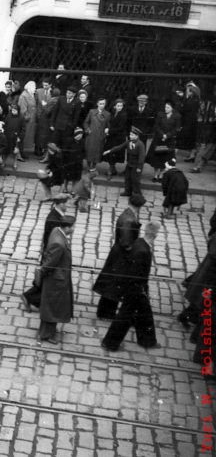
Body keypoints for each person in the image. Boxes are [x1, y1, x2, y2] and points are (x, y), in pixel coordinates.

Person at [101, 222, 161, 351]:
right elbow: (136, 274)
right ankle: (110, 343)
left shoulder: (139, 242)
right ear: (155, 234)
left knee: (145, 314)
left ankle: (147, 341)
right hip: (135, 290)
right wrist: (141, 290)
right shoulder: (143, 251)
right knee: (125, 317)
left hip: (136, 288)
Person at [20, 193, 70, 312]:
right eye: (66, 203)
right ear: (61, 204)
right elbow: (52, 239)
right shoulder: (54, 219)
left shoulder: (57, 215)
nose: (67, 205)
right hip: (51, 252)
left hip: (51, 251)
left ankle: (31, 298)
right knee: (47, 279)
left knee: (46, 279)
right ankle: (29, 297)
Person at [36, 216, 75, 344]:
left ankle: (46, 331)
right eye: (73, 226)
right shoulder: (59, 243)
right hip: (57, 280)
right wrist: (41, 272)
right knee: (53, 308)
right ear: (67, 228)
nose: (74, 229)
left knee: (52, 307)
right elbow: (50, 263)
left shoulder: (56, 231)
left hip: (56, 278)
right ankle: (46, 334)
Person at [103, 126, 145, 197]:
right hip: (129, 164)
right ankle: (127, 191)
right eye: (130, 135)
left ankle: (137, 193)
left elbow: (142, 156)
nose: (130, 136)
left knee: (135, 180)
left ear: (137, 136)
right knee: (127, 178)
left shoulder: (140, 144)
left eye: (132, 135)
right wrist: (109, 151)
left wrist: (139, 167)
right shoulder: (128, 142)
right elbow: (119, 147)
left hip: (136, 165)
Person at [146, 100, 181, 183]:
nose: (166, 109)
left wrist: (167, 135)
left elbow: (176, 128)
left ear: (172, 108)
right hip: (159, 139)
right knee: (157, 158)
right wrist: (162, 135)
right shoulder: (160, 114)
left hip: (168, 141)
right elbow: (156, 126)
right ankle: (155, 175)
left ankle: (161, 175)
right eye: (165, 107)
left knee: (165, 158)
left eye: (168, 107)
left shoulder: (177, 116)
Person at [104, 99, 129, 180]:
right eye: (118, 106)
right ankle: (113, 169)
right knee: (110, 153)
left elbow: (121, 127)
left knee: (113, 153)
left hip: (118, 137)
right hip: (112, 136)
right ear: (115, 106)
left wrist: (109, 131)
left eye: (121, 106)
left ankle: (110, 171)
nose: (119, 107)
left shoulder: (123, 115)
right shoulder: (113, 113)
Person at [83, 97, 111, 171]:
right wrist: (88, 130)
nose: (102, 105)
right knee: (90, 150)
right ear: (97, 104)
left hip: (100, 135)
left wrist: (107, 129)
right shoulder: (92, 112)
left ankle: (94, 166)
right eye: (100, 104)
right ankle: (88, 166)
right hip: (91, 135)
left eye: (103, 104)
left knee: (98, 151)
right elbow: (86, 122)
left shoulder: (107, 114)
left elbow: (108, 124)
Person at [61, 127, 85, 193]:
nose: (79, 137)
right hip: (69, 162)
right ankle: (65, 188)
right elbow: (65, 152)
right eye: (78, 136)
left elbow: (84, 152)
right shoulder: (69, 141)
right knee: (67, 177)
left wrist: (81, 157)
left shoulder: (82, 142)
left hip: (77, 163)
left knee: (76, 177)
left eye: (81, 136)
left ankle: (74, 189)